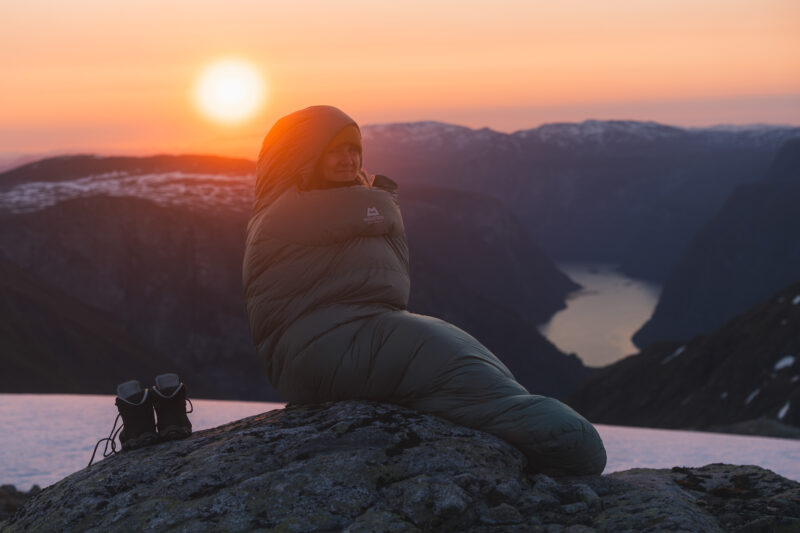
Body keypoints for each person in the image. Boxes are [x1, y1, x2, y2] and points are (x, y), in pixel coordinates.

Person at [242, 105, 607, 475]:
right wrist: (383, 199)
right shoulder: (291, 213)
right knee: (454, 367)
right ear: (303, 158)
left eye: (353, 150)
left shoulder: (334, 203)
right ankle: (560, 442)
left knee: (466, 361)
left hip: (351, 336)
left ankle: (542, 433)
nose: (347, 160)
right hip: (320, 351)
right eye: (333, 150)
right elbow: (377, 211)